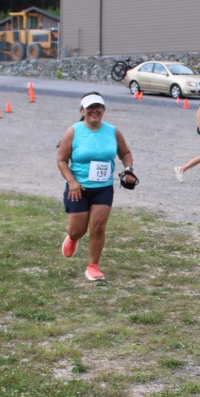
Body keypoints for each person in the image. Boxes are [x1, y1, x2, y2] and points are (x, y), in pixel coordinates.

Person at [56, 93, 135, 281]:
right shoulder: (73, 131)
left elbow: (125, 153)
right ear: (82, 111)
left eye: (98, 107)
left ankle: (93, 266)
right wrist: (72, 182)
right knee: (77, 229)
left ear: (103, 109)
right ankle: (73, 238)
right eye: (90, 107)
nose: (95, 110)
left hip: (103, 187)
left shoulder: (113, 131)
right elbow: (61, 160)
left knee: (98, 226)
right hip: (78, 188)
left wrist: (128, 170)